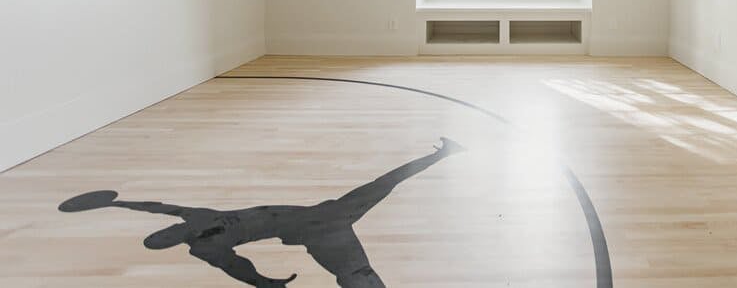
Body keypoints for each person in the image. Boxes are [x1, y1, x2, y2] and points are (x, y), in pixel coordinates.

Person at [59, 137, 465, 287]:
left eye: (159, 234)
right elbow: (237, 268)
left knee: (382, 185)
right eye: (161, 241)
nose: (164, 235)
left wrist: (116, 201)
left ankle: (443, 154)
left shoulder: (192, 217)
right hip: (320, 231)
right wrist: (266, 283)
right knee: (355, 275)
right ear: (168, 247)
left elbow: (155, 207)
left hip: (315, 214)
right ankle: (444, 154)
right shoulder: (203, 247)